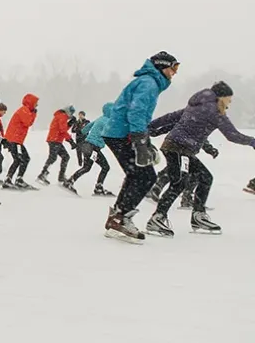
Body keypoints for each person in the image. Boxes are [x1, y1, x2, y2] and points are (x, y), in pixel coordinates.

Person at [143, 82, 251, 236]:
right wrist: (252, 142)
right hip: (179, 148)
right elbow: (232, 135)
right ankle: (157, 218)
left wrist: (151, 127)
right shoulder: (213, 111)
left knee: (205, 177)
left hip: (178, 147)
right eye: (229, 99)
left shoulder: (197, 105)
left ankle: (198, 216)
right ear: (221, 97)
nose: (230, 103)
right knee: (179, 183)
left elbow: (172, 117)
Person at [101, 51, 178, 243]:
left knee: (137, 174)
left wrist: (146, 141)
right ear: (162, 67)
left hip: (120, 133)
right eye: (173, 68)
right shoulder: (149, 83)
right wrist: (139, 142)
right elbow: (136, 112)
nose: (174, 73)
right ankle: (121, 218)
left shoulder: (149, 82)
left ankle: (118, 216)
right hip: (121, 134)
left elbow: (140, 116)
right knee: (146, 176)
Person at [61, 102, 115, 196]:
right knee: (105, 167)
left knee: (86, 167)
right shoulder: (108, 122)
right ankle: (98, 187)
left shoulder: (100, 119)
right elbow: (112, 135)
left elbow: (84, 129)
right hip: (94, 148)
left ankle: (70, 181)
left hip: (86, 145)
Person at [2, 94, 40, 190]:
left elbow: (28, 123)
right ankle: (12, 180)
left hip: (16, 140)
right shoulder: (24, 110)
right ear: (31, 103)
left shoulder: (26, 110)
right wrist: (34, 113)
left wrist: (33, 112)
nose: (37, 105)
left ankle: (14, 179)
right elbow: (28, 122)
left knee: (22, 159)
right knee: (21, 159)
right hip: (14, 139)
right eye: (36, 103)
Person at [38, 106, 76, 185]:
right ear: (68, 111)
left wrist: (70, 124)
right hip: (54, 140)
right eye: (71, 112)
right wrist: (70, 141)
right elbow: (62, 130)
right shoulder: (62, 116)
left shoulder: (61, 116)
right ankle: (43, 174)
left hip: (56, 140)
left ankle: (60, 176)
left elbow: (63, 129)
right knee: (53, 157)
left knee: (65, 157)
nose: (72, 115)